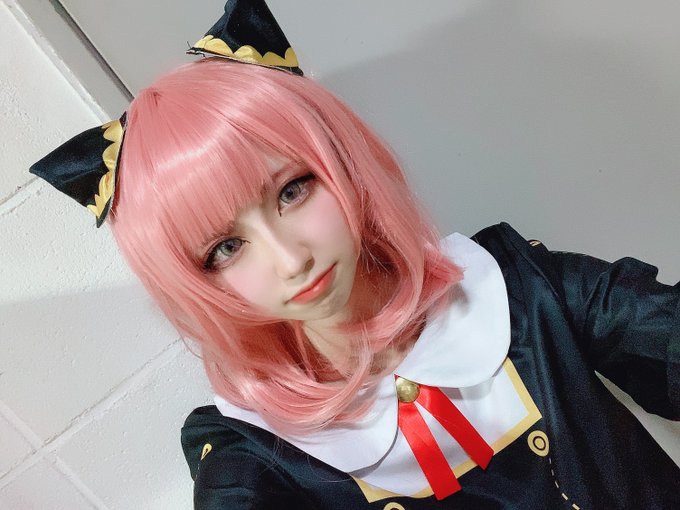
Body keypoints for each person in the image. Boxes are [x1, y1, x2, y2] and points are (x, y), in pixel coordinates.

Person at [29, 1, 679, 508]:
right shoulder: (251, 452)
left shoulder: (521, 290)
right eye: (226, 248)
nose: (290, 259)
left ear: (341, 161)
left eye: (292, 191)